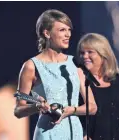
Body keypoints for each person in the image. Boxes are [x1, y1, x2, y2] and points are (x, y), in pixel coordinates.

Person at [14, 9, 97, 140]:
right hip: (48, 133)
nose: (68, 34)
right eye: (62, 30)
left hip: (74, 133)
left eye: (69, 30)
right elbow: (18, 110)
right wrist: (37, 106)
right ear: (47, 33)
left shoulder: (74, 63)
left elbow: (92, 107)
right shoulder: (31, 66)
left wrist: (72, 110)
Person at [76, 33, 119, 140]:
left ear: (103, 54)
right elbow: (74, 116)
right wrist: (84, 135)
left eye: (90, 52)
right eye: (82, 53)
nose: (85, 56)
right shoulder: (78, 82)